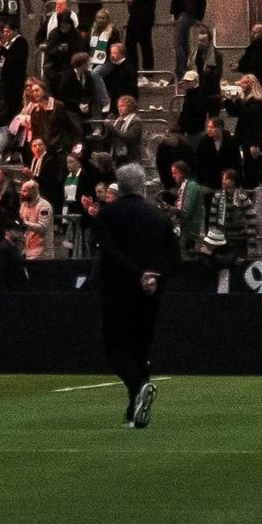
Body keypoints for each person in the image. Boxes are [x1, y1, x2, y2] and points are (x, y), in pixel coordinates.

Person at [93, 161, 177, 428]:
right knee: (141, 350)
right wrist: (154, 276)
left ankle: (139, 387)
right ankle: (134, 410)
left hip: (118, 292)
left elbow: (109, 251)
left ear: (119, 185)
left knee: (115, 349)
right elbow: (175, 257)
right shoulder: (158, 217)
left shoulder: (107, 215)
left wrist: (135, 274)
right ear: (142, 185)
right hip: (148, 296)